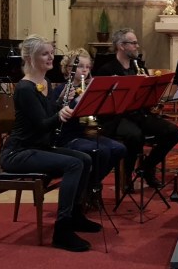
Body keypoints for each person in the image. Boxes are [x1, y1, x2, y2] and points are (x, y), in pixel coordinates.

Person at [0, 35, 100, 252]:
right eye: (45, 54)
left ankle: (76, 215)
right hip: (19, 153)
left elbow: (46, 114)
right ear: (30, 58)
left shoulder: (45, 83)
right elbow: (42, 125)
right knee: (73, 164)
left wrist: (62, 103)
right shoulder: (25, 88)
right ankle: (62, 230)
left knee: (84, 159)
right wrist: (61, 113)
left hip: (38, 147)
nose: (51, 57)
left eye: (51, 53)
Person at [94, 28, 178, 189]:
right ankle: (127, 175)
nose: (137, 46)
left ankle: (147, 167)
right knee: (135, 135)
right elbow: (102, 101)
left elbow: (147, 94)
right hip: (117, 117)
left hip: (139, 113)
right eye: (133, 43)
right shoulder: (106, 70)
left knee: (174, 132)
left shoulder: (139, 66)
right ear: (121, 46)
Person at [50, 49, 126, 194]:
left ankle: (90, 184)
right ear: (69, 69)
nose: (85, 70)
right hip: (67, 137)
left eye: (88, 67)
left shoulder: (90, 88)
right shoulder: (61, 90)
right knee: (101, 151)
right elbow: (57, 116)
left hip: (85, 134)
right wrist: (76, 101)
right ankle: (87, 188)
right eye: (80, 66)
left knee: (119, 149)